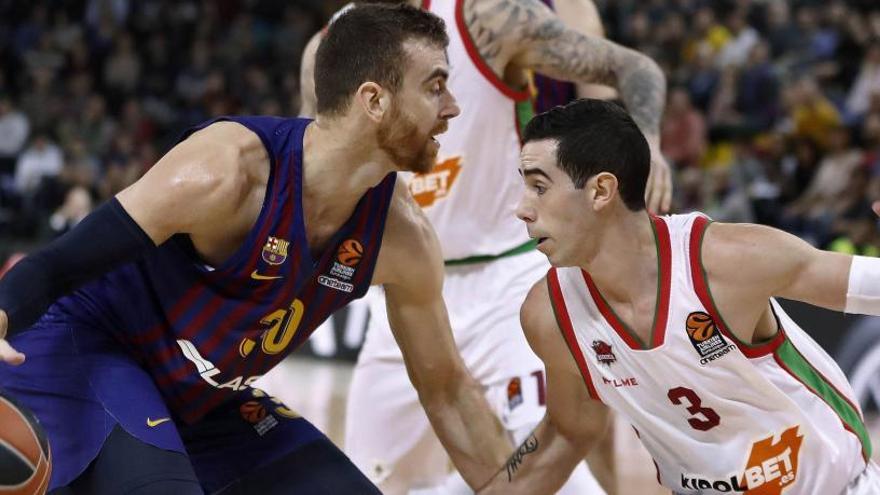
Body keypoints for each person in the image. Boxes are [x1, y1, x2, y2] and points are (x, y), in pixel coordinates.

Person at [0, 5, 513, 494]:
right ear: (374, 101)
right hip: (94, 348)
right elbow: (57, 264)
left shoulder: (404, 239)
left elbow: (446, 389)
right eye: (436, 86)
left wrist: (522, 488)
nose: (453, 108)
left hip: (205, 395)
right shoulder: (227, 171)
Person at [291, 1, 669, 494]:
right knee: (374, 483)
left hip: (510, 282)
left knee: (557, 477)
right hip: (406, 291)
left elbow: (634, 67)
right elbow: (306, 167)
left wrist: (649, 145)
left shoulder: (485, 18)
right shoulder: (328, 48)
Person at [478, 98, 880, 494]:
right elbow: (565, 436)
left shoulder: (725, 260)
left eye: (539, 187)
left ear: (601, 190)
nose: (521, 209)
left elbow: (868, 288)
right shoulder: (548, 314)